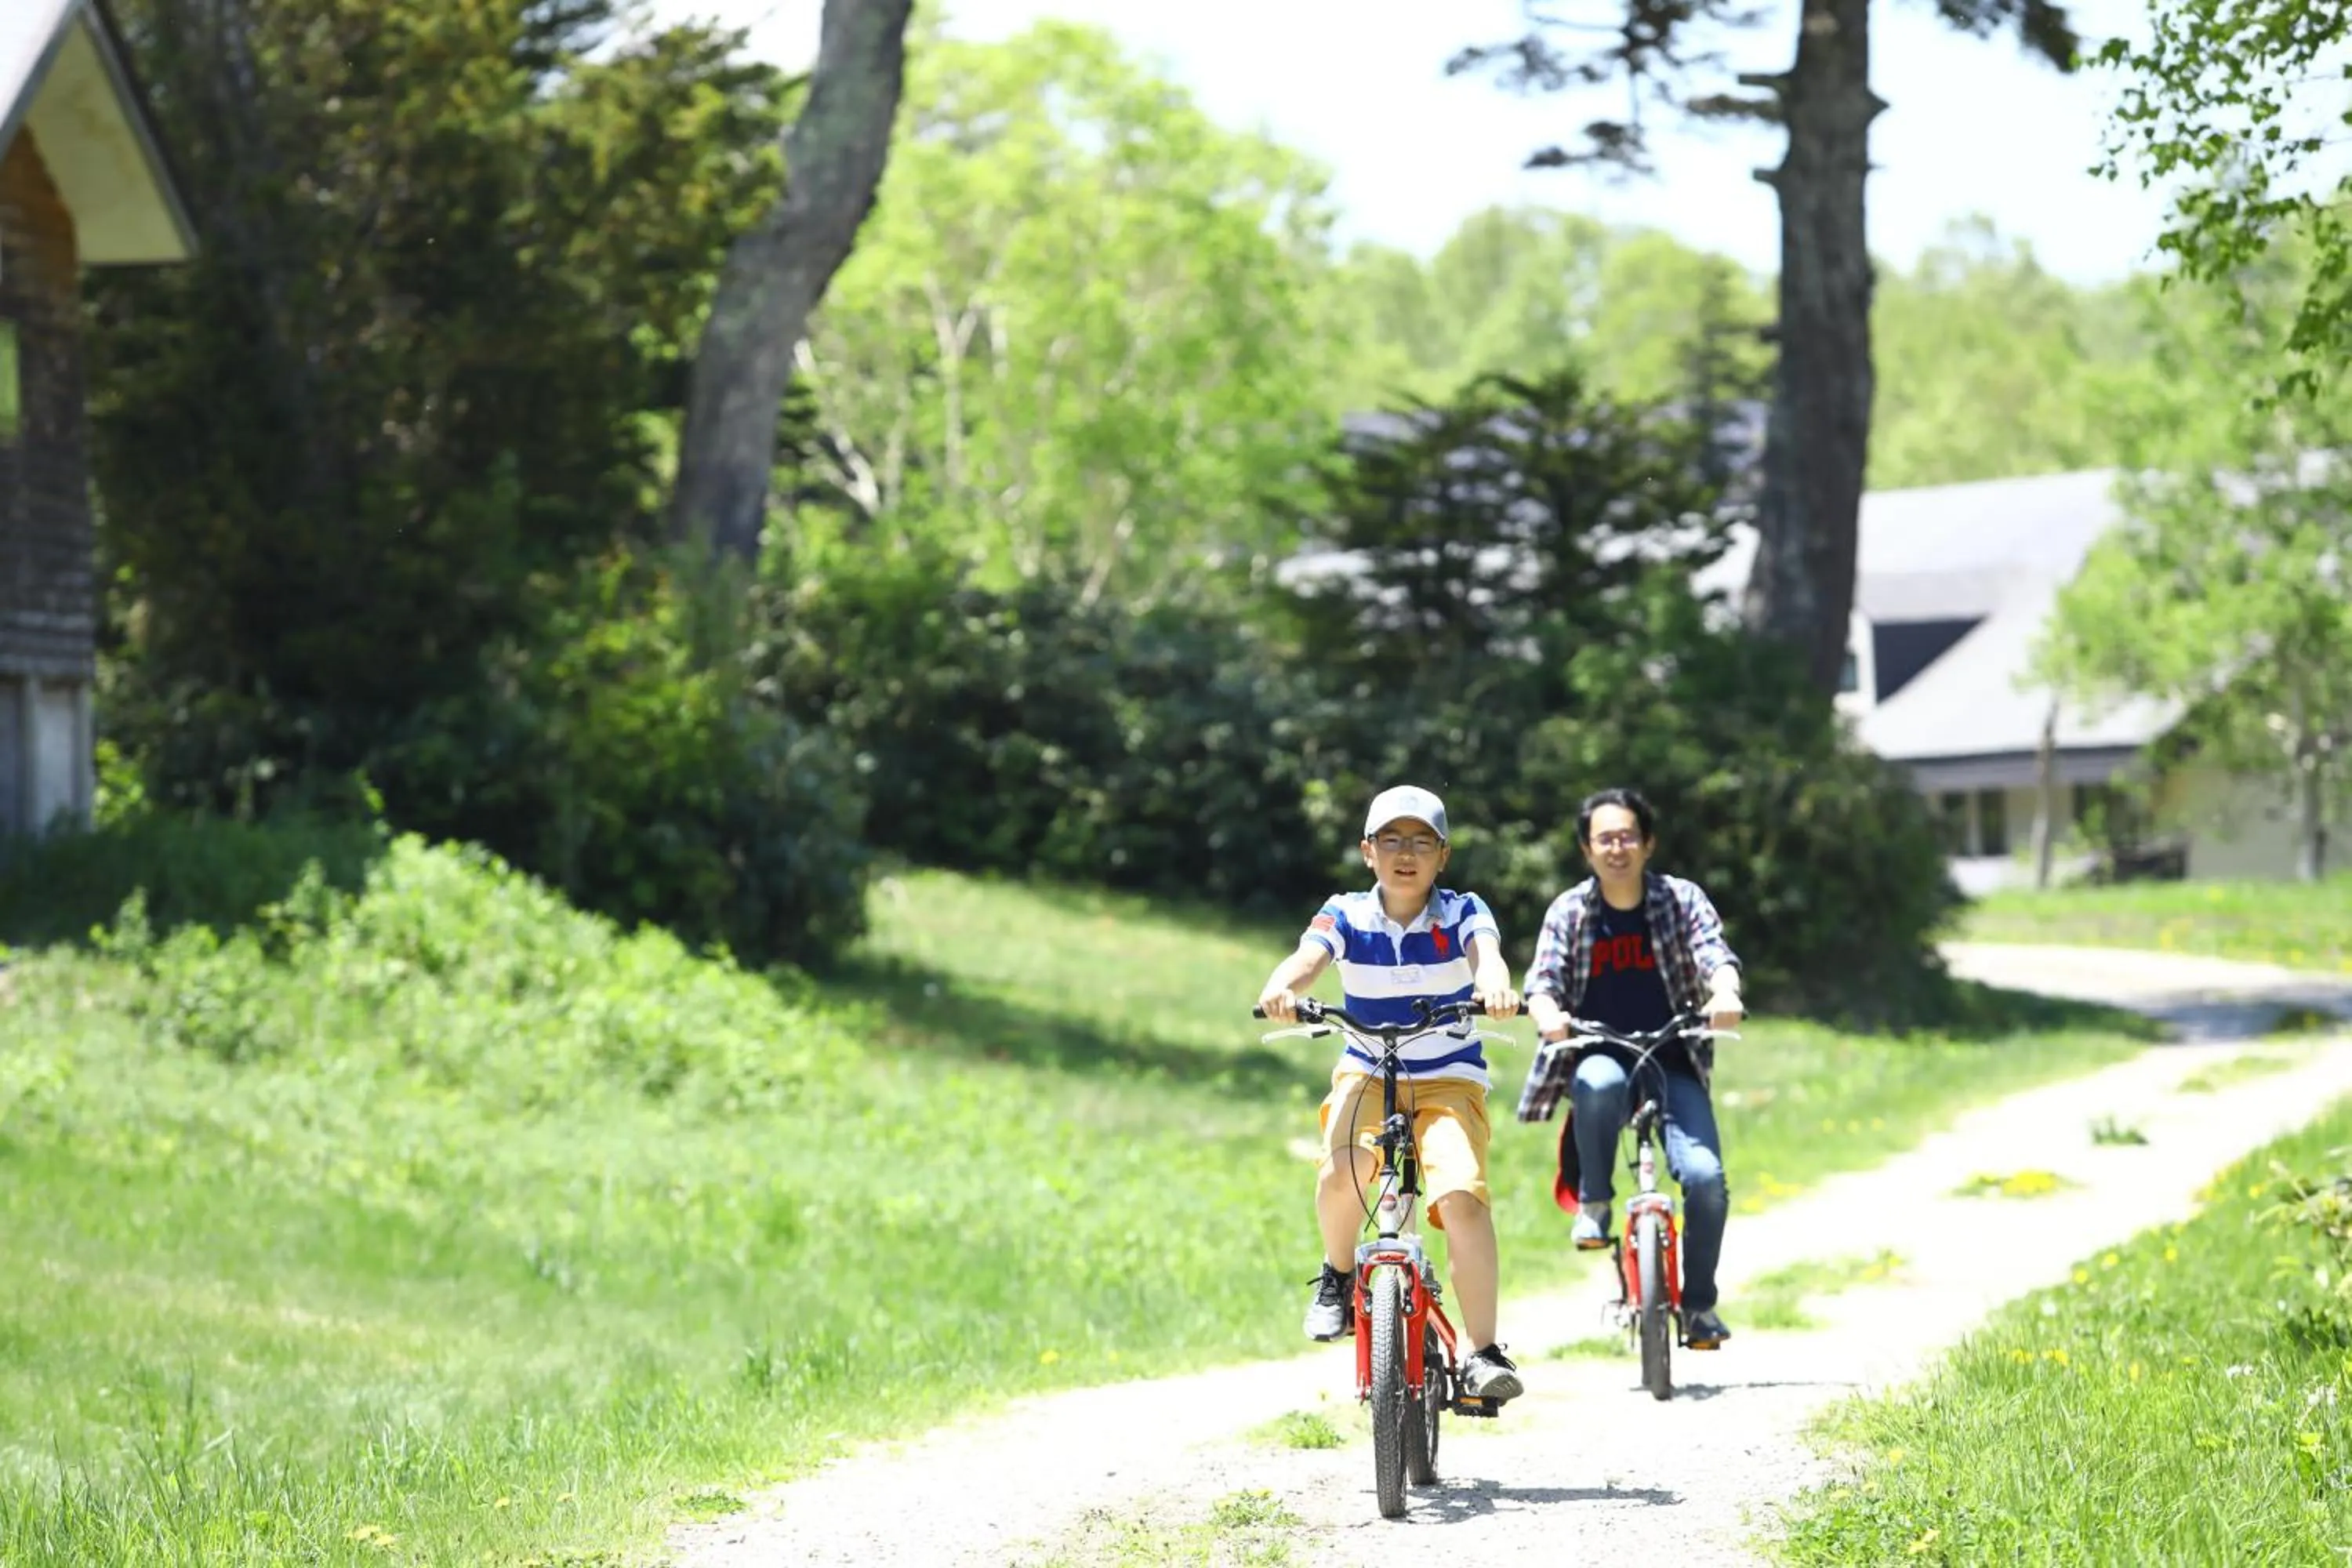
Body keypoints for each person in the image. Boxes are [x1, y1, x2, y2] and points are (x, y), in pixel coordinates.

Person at [1255, 784, 1527, 1403]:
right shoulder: (1346, 913)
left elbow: (1488, 958)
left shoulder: (1463, 911)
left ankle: (1483, 1353)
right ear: (1367, 852)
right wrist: (1281, 989)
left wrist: (1496, 986)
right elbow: (1307, 958)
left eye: (1422, 842)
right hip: (1369, 1068)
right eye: (1391, 841)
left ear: (1443, 856)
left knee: (1461, 1196)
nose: (1406, 854)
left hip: (1448, 1077)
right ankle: (1339, 1276)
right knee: (1341, 1167)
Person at [1515, 786, 1747, 1348]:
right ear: (1587, 849)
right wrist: (1546, 1013)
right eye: (1604, 839)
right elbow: (1543, 980)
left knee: (1705, 1180)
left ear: (1647, 843)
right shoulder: (1572, 910)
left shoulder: (1679, 899)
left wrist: (1726, 992)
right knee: (1597, 1081)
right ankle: (1595, 1200)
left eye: (1627, 837)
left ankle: (1699, 1308)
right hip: (1599, 1048)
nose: (1617, 848)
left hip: (1673, 1058)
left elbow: (1714, 953)